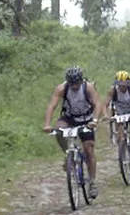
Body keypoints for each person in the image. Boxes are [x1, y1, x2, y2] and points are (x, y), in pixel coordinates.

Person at [43, 66, 104, 198]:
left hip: (86, 119)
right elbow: (52, 105)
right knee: (58, 130)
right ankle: (68, 154)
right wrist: (47, 124)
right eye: (71, 84)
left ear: (81, 81)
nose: (74, 86)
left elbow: (97, 104)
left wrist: (94, 120)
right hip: (69, 118)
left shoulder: (88, 87)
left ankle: (92, 183)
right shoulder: (61, 88)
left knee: (89, 150)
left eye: (76, 83)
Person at [104, 70, 130, 152]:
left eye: (125, 84)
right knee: (120, 135)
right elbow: (105, 104)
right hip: (120, 112)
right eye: (120, 84)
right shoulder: (113, 90)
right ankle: (122, 155)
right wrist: (106, 115)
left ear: (128, 83)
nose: (122, 86)